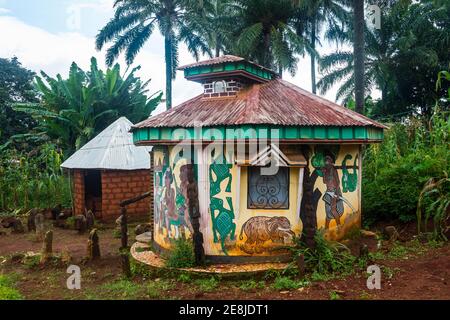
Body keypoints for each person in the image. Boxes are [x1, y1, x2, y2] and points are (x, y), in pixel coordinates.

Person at [322, 155, 344, 229]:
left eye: (328, 161)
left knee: (333, 209)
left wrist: (337, 193)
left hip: (334, 191)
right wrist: (323, 173)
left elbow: (338, 182)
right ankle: (326, 229)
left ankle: (339, 227)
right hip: (328, 192)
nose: (327, 163)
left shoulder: (334, 170)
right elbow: (324, 181)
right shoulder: (326, 171)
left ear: (331, 162)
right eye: (326, 161)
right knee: (328, 211)